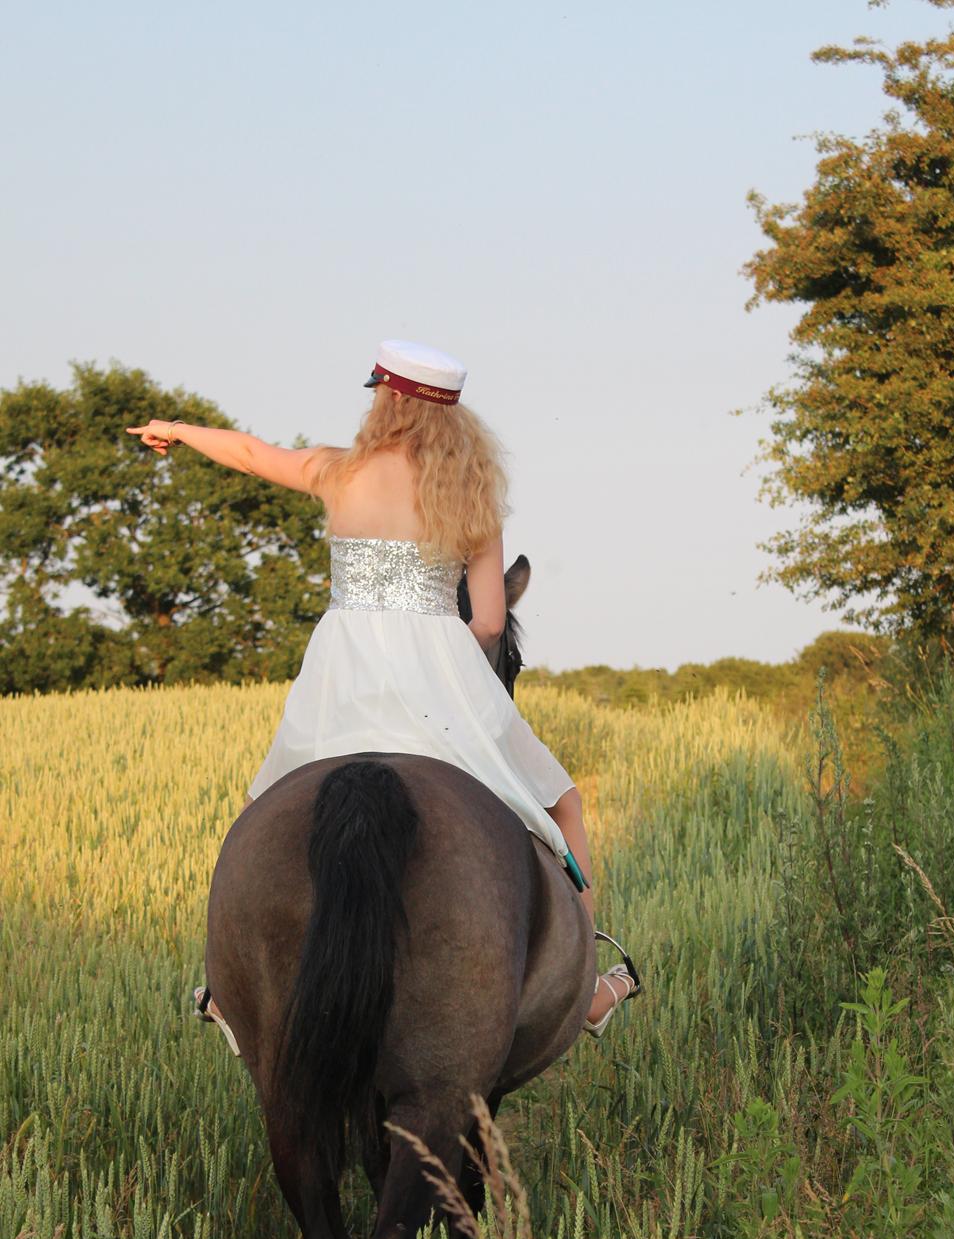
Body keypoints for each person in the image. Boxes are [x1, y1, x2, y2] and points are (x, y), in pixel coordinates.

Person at [128, 338, 639, 1037]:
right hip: (443, 671)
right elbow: (489, 622)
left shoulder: (337, 473)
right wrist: (450, 664)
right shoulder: (473, 498)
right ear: (451, 419)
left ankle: (224, 987)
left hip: (340, 674)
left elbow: (250, 453)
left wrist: (178, 431)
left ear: (385, 401)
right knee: (562, 805)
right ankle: (583, 986)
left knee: (258, 813)